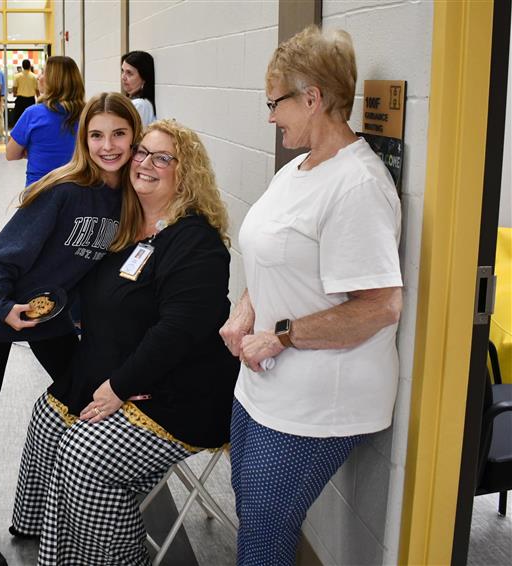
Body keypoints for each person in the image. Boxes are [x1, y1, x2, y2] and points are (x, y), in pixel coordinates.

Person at [10, 119, 239, 565]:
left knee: (84, 454)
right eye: (142, 152)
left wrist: (117, 386)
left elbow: (177, 333)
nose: (145, 163)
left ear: (184, 172)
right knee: (46, 419)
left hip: (181, 393)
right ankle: (54, 548)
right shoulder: (127, 228)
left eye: (162, 157)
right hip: (124, 371)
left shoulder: (195, 242)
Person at [220, 25, 403, 566]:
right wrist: (246, 309)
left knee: (265, 530)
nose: (271, 116)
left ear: (313, 98)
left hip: (321, 397)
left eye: (275, 103)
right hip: (265, 382)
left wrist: (281, 336)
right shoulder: (298, 169)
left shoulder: (359, 186)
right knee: (254, 512)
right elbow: (275, 257)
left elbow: (380, 305)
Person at [0, 92, 142, 566]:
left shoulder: (130, 197)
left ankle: (64, 502)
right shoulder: (63, 191)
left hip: (52, 317)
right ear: (83, 139)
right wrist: (2, 306)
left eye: (119, 133)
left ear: (134, 134)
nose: (108, 145)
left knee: (80, 391)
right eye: (96, 135)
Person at [6, 56, 85, 187]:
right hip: (78, 190)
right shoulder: (88, 114)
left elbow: (11, 154)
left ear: (54, 81)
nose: (39, 77)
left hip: (39, 191)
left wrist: (31, 150)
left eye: (43, 73)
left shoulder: (32, 114)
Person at [121, 50, 157, 126]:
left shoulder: (140, 105)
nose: (123, 77)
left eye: (129, 73)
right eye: (122, 71)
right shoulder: (135, 102)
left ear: (144, 78)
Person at [12, 59, 39, 123]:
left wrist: (15, 93)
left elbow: (14, 88)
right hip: (31, 100)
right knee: (30, 118)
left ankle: (19, 132)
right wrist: (39, 98)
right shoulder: (34, 76)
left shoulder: (17, 76)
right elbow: (37, 90)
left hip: (20, 100)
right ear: (30, 66)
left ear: (22, 66)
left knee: (19, 118)